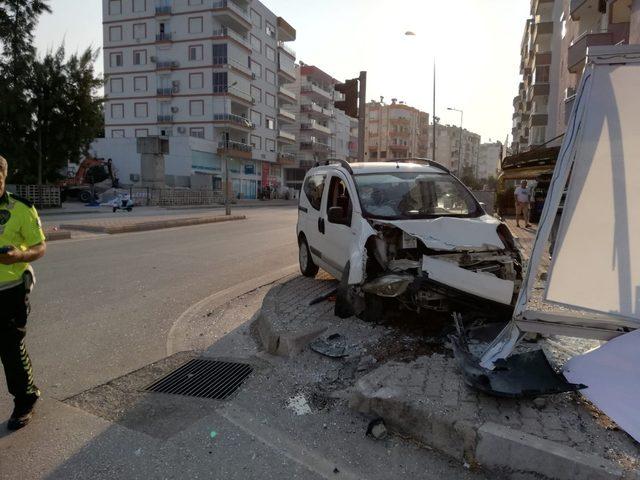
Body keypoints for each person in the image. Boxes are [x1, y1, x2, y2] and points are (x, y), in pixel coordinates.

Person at [0, 155, 47, 430]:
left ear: (4, 176)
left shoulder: (21, 208)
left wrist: (19, 255)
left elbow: (39, 247)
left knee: (10, 349)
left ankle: (25, 400)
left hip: (10, 290)